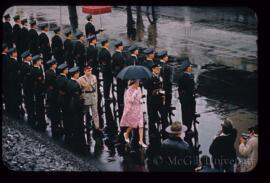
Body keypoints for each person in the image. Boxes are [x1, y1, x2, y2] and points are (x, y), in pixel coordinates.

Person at [78, 65, 102, 144]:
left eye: (90, 70)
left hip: (93, 97)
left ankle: (97, 127)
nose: (90, 72)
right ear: (84, 71)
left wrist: (97, 97)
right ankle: (85, 125)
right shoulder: (81, 79)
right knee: (85, 112)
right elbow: (80, 90)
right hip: (86, 97)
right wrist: (81, 97)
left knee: (95, 113)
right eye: (88, 71)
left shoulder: (94, 77)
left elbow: (96, 88)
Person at [144, 63, 168, 140]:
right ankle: (152, 133)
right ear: (153, 69)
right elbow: (147, 87)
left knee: (164, 116)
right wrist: (157, 91)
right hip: (152, 101)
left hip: (160, 100)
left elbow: (162, 86)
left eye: (159, 69)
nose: (159, 70)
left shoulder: (160, 77)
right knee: (152, 118)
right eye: (157, 69)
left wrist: (162, 92)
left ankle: (166, 131)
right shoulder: (150, 78)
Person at [120, 80, 147, 148]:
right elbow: (130, 100)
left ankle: (141, 141)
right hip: (132, 109)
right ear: (133, 83)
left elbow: (140, 97)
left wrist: (141, 98)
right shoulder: (128, 90)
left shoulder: (139, 88)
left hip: (139, 108)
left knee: (141, 125)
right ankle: (126, 134)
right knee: (133, 124)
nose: (138, 84)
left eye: (138, 83)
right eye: (137, 83)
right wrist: (135, 93)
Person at [67, 66, 88, 152]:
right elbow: (77, 98)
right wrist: (82, 108)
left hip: (71, 105)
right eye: (78, 73)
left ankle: (77, 141)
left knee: (75, 123)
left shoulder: (69, 82)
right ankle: (79, 143)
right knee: (78, 124)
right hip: (76, 105)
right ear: (75, 74)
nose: (79, 74)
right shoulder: (75, 85)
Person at [177, 58, 196, 132]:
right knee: (189, 115)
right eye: (190, 67)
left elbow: (180, 89)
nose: (191, 68)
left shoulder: (181, 77)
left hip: (183, 99)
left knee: (184, 115)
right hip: (189, 100)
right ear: (187, 68)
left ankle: (186, 129)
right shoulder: (189, 78)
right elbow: (191, 91)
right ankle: (188, 130)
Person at [55, 63, 71, 144]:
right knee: (67, 115)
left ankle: (64, 127)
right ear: (64, 70)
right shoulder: (66, 80)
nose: (68, 70)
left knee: (63, 114)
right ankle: (68, 130)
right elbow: (68, 90)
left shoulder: (58, 78)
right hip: (65, 99)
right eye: (67, 69)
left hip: (60, 98)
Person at [45, 59, 61, 138]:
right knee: (55, 110)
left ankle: (54, 126)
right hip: (54, 94)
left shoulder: (47, 72)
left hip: (50, 93)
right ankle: (55, 128)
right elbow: (56, 84)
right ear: (52, 65)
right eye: (55, 64)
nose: (56, 65)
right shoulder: (53, 74)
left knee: (52, 109)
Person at [31, 55, 47, 131]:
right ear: (37, 62)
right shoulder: (36, 70)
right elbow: (41, 81)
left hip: (37, 90)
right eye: (40, 60)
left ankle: (41, 121)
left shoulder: (36, 69)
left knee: (40, 106)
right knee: (40, 107)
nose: (41, 62)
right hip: (39, 91)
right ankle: (41, 122)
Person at [112, 40, 126, 121]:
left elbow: (113, 66)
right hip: (122, 75)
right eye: (122, 46)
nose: (122, 47)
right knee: (122, 89)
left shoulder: (114, 55)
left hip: (117, 75)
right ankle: (121, 103)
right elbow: (122, 66)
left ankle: (119, 101)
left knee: (119, 89)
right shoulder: (121, 56)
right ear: (119, 46)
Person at [157, 50, 173, 121]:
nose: (167, 57)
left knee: (160, 106)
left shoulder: (157, 65)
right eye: (166, 56)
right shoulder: (168, 67)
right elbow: (169, 81)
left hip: (159, 90)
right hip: (166, 90)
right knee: (166, 107)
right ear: (164, 57)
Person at [6, 48, 22, 119]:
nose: (16, 53)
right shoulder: (15, 62)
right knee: (16, 95)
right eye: (15, 52)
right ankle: (16, 112)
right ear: (12, 54)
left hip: (10, 80)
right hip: (15, 80)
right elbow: (18, 72)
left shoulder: (9, 61)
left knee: (12, 94)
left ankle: (13, 110)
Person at [20, 51, 35, 126]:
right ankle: (30, 115)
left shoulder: (29, 64)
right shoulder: (24, 65)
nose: (31, 57)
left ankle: (31, 113)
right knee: (29, 100)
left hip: (30, 86)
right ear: (26, 58)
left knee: (31, 100)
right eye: (30, 56)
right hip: (27, 86)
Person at [2, 43, 10, 113]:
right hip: (7, 77)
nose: (8, 49)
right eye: (7, 48)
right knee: (7, 92)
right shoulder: (6, 58)